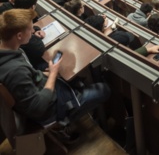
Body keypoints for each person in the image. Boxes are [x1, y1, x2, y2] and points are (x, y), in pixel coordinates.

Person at [0, 9, 110, 142]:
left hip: (42, 91)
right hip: (48, 111)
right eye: (30, 30)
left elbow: (31, 75)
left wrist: (47, 73)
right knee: (103, 89)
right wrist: (52, 75)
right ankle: (63, 124)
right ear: (19, 36)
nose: (33, 33)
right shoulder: (15, 71)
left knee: (73, 78)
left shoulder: (11, 51)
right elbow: (38, 107)